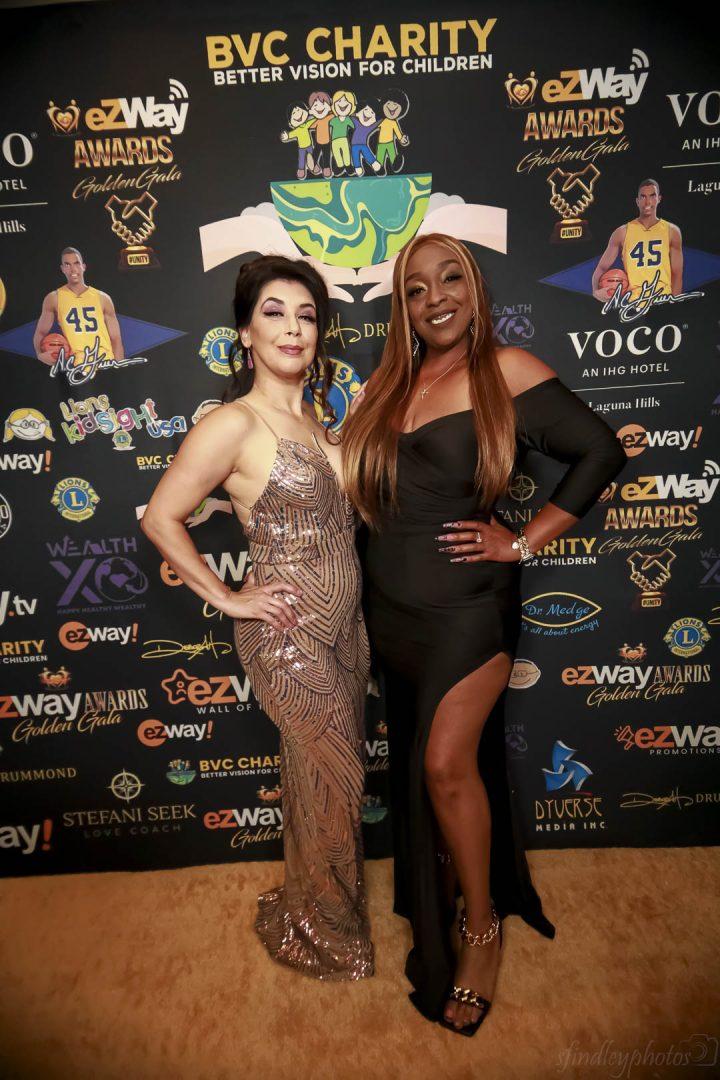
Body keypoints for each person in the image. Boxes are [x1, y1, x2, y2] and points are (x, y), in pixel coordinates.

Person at [342, 233, 625, 1034]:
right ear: (402, 306)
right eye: (416, 288)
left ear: (475, 288)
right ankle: (442, 901)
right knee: (421, 766)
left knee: (444, 766)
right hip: (390, 614)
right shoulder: (389, 385)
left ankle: (481, 927)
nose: (436, 298)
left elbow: (601, 451)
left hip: (468, 610)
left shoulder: (506, 370)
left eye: (451, 279)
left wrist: (524, 539)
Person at [141, 255, 374, 981]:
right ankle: (330, 935)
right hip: (287, 633)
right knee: (337, 779)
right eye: (274, 313)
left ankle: (308, 906)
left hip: (348, 630)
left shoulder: (319, 421)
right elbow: (160, 517)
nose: (293, 328)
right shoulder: (232, 424)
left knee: (315, 779)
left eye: (306, 316)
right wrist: (230, 597)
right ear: (245, 333)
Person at [591, 178, 683, 299]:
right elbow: (602, 267)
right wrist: (596, 291)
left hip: (662, 299)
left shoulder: (672, 231)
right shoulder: (622, 232)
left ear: (659, 199)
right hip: (633, 302)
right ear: (637, 201)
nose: (647, 201)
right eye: (643, 197)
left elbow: (677, 273)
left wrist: (674, 304)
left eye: (652, 196)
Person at [33, 247, 124, 365]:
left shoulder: (103, 298)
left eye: (76, 263)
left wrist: (119, 369)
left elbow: (116, 339)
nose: (73, 269)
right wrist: (40, 355)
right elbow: (40, 332)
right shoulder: (54, 298)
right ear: (62, 269)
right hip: (77, 366)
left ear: (83, 266)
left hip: (105, 362)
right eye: (67, 264)